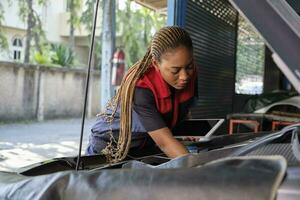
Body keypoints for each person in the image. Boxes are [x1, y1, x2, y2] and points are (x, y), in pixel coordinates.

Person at [86, 26, 198, 162]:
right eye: (175, 70)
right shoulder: (141, 89)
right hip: (108, 149)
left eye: (189, 66)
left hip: (144, 148)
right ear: (156, 64)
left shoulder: (189, 74)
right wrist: (202, 171)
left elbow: (182, 109)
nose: (184, 76)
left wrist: (181, 131)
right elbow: (165, 143)